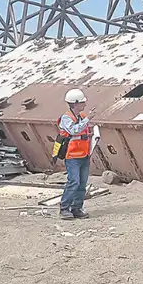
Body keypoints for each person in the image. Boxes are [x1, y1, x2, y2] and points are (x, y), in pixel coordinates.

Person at [57, 88, 94, 219]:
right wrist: (87, 120)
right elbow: (73, 130)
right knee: (74, 182)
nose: (84, 104)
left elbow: (84, 132)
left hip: (84, 155)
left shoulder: (82, 117)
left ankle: (76, 209)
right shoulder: (66, 118)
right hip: (72, 156)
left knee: (82, 184)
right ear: (75, 103)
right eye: (82, 102)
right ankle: (64, 209)